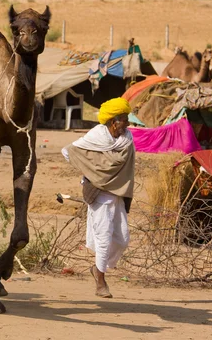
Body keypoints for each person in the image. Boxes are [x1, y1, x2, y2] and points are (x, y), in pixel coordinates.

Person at [61, 97, 134, 298]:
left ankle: (97, 268)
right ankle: (100, 280)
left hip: (117, 192)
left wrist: (102, 170)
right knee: (103, 237)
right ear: (113, 122)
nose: (127, 124)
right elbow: (69, 152)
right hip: (98, 194)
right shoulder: (96, 136)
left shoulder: (127, 139)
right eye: (124, 119)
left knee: (122, 239)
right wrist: (93, 171)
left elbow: (120, 164)